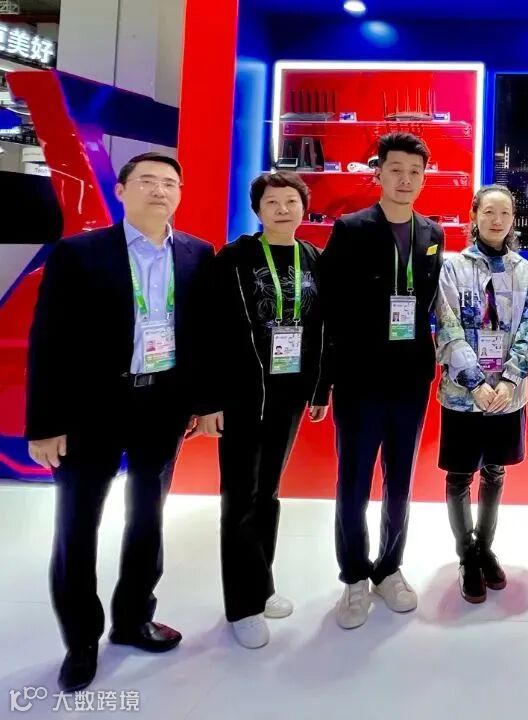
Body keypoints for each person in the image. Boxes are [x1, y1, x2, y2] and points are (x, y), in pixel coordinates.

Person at [26, 152, 214, 691]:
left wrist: (202, 402)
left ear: (180, 194)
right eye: (147, 181)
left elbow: (203, 336)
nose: (159, 191)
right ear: (122, 190)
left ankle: (133, 617)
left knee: (148, 518)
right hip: (91, 410)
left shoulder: (198, 254)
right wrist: (44, 423)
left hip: (162, 405)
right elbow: (49, 340)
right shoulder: (79, 253)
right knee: (78, 524)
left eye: (170, 183)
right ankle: (81, 639)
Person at [193, 172, 330, 648]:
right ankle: (242, 605)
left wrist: (319, 389)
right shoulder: (233, 259)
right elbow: (207, 331)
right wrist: (208, 401)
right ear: (258, 209)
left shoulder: (313, 257)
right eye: (273, 202)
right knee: (240, 498)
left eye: (291, 201)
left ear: (303, 207)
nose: (283, 209)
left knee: (267, 492)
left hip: (289, 394)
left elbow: (321, 328)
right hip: (242, 394)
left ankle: (261, 583)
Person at [319, 132, 444, 628]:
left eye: (414, 172)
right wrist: (326, 379)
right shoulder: (351, 229)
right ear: (379, 173)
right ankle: (353, 575)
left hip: (410, 378)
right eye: (396, 170)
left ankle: (389, 568)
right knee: (353, 481)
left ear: (423, 177)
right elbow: (329, 307)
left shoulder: (432, 233)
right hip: (360, 378)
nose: (405, 180)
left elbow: (428, 301)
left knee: (400, 480)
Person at [434, 185, 528, 603]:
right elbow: (448, 326)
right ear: (474, 216)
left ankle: (485, 548)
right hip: (464, 394)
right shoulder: (453, 268)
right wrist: (476, 383)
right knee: (460, 475)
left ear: (513, 219)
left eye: (505, 213)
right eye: (489, 212)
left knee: (495, 472)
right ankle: (467, 555)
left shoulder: (525, 272)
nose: (497, 220)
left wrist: (510, 380)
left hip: (506, 395)